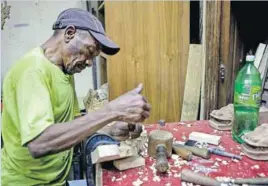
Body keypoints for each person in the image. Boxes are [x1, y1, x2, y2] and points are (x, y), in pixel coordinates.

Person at [1, 8, 151, 186]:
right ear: (69, 33)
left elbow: (70, 126)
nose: (89, 62)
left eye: (94, 57)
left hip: (56, 180)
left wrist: (109, 130)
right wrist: (112, 111)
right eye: (89, 51)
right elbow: (39, 143)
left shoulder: (63, 70)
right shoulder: (32, 71)